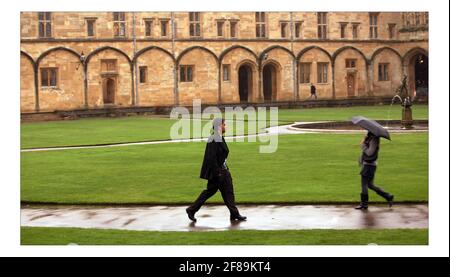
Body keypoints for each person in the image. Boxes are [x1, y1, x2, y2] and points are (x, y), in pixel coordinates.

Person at [186, 118, 247, 222]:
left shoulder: (219, 137)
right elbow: (211, 157)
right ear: (219, 126)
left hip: (223, 171)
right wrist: (217, 172)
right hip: (218, 173)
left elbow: (220, 156)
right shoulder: (214, 138)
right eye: (224, 124)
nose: (226, 126)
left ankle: (234, 214)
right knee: (211, 192)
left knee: (228, 192)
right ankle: (191, 209)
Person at [355, 132, 394, 210]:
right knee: (370, 185)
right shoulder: (370, 137)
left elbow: (370, 153)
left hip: (369, 166)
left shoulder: (374, 139)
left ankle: (364, 204)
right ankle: (388, 196)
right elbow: (365, 151)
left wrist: (362, 145)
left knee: (364, 185)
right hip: (368, 165)